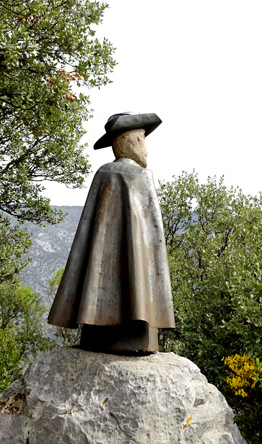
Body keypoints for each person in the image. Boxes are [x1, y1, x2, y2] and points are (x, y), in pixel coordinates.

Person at [48, 112, 175, 353]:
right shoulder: (143, 177)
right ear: (131, 142)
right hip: (139, 333)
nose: (146, 150)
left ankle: (97, 323)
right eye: (142, 141)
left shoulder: (103, 174)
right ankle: (137, 325)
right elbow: (153, 243)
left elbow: (90, 237)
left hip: (96, 331)